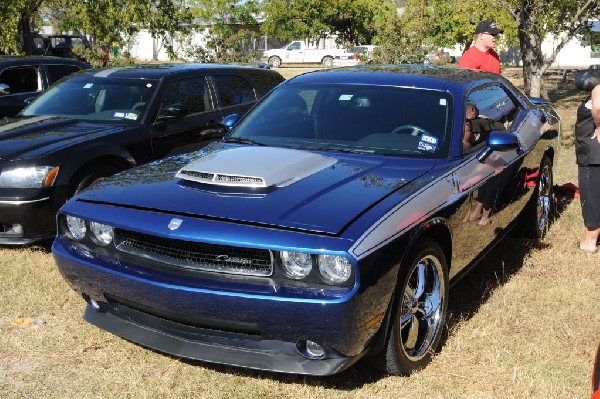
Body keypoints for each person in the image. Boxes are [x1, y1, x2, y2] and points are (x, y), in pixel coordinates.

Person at [575, 82, 600, 253]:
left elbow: (598, 105)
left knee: (591, 195)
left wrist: (599, 126)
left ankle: (590, 241)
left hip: (593, 153)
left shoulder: (598, 88)